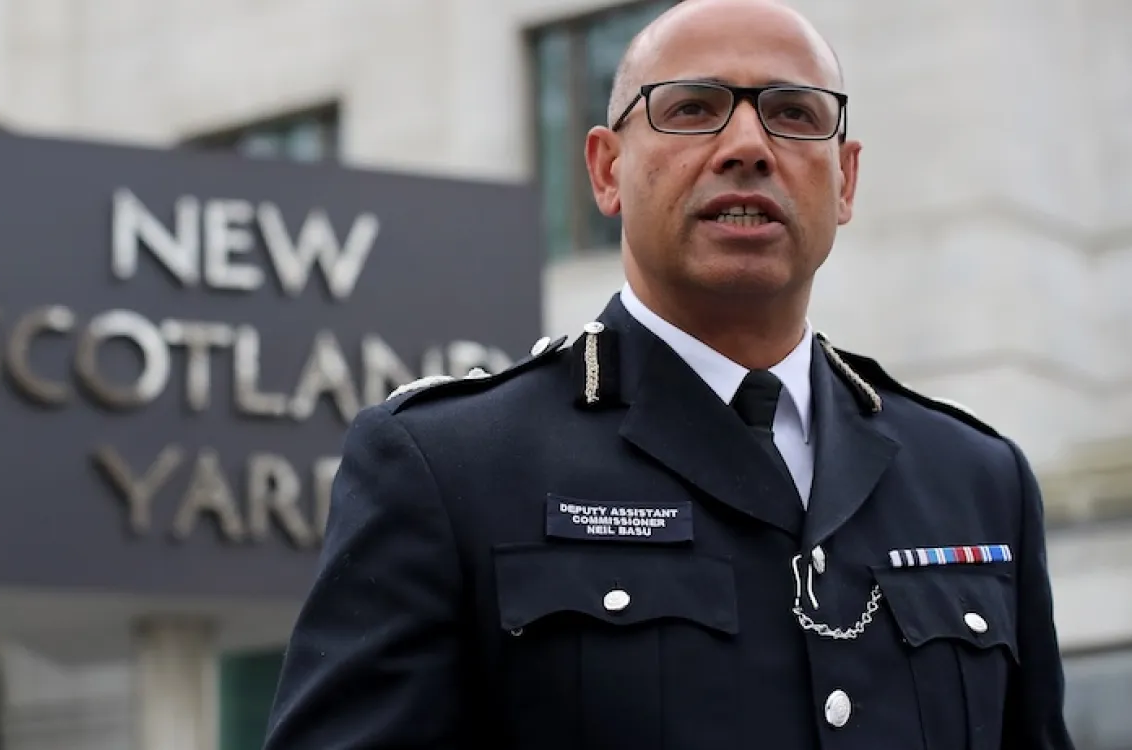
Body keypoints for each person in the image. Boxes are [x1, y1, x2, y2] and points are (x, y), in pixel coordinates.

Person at [261, 0, 1076, 747]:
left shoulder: (976, 480)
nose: (749, 147)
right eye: (692, 109)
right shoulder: (451, 469)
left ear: (847, 180)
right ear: (607, 169)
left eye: (794, 114)